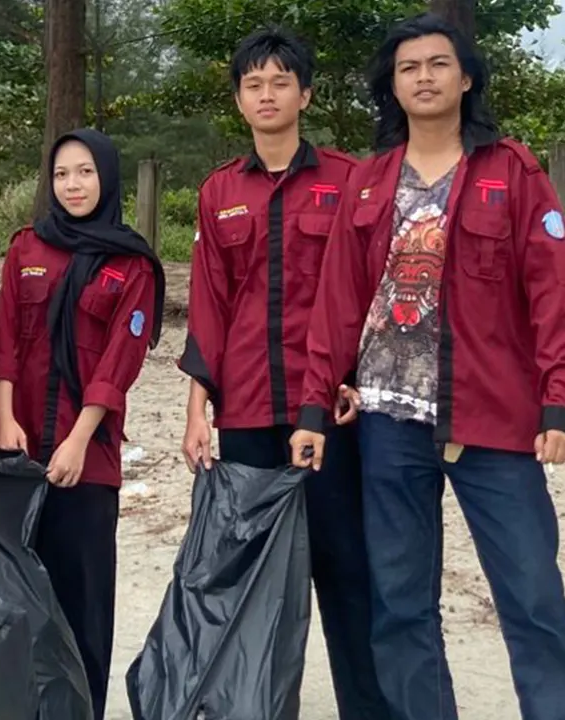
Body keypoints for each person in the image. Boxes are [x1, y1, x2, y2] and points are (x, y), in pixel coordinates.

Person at [289, 13, 565, 720]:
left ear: (466, 79)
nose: (422, 77)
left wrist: (562, 401)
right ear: (392, 87)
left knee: (532, 600)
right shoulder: (369, 183)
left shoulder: (512, 172)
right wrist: (313, 407)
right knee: (400, 606)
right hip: (388, 425)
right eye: (408, 68)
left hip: (495, 422)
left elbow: (554, 293)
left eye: (437, 64)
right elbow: (338, 303)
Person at [178, 27, 390, 720]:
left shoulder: (348, 179)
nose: (266, 95)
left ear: (306, 95)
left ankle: (367, 707)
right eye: (253, 84)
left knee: (344, 567)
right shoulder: (219, 191)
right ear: (239, 100)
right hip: (243, 413)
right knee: (252, 578)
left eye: (279, 82)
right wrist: (196, 410)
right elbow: (209, 306)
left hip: (326, 410)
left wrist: (354, 376)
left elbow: (369, 290)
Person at [0, 128, 165, 720]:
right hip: (16, 450)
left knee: (82, 603)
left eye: (85, 172)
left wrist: (78, 439)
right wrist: (3, 418)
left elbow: (118, 363)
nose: (73, 185)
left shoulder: (130, 263)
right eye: (61, 174)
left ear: (106, 178)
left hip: (87, 458)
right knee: (10, 602)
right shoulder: (27, 247)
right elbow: (6, 338)